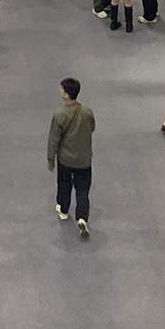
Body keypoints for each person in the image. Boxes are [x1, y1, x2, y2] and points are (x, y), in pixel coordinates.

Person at [46, 77, 96, 239]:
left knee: (64, 184)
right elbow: (92, 127)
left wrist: (50, 158)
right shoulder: (87, 111)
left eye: (62, 89)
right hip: (84, 159)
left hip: (66, 159)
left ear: (66, 94)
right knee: (82, 189)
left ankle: (64, 209)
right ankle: (82, 217)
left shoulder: (60, 114)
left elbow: (54, 139)